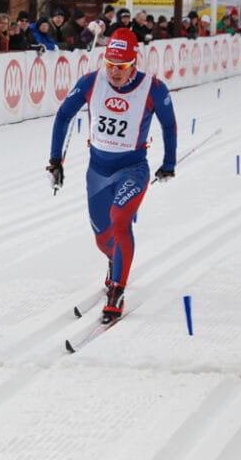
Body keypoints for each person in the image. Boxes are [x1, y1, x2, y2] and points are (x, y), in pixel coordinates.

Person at [46, 28, 177, 324]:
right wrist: (56, 159)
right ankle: (113, 261)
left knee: (120, 219)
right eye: (110, 64)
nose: (115, 72)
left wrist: (168, 162)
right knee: (103, 239)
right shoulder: (92, 82)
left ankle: (117, 290)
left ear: (134, 63)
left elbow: (169, 125)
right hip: (97, 171)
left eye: (122, 67)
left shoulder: (154, 88)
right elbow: (64, 115)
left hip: (133, 168)